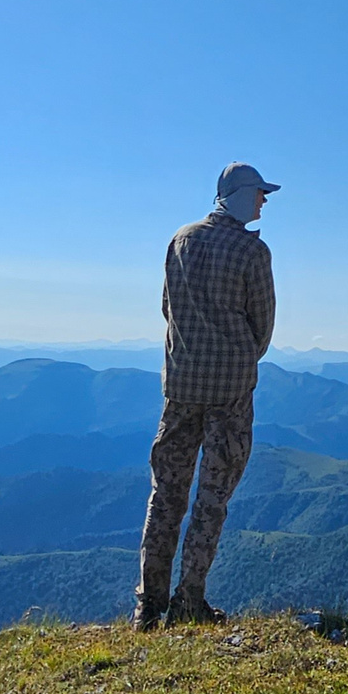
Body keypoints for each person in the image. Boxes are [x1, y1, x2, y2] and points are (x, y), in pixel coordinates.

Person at [135, 160, 279, 628]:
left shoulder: (180, 241)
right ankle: (189, 601)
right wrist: (237, 358)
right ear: (240, 193)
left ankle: (148, 605)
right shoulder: (252, 254)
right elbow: (263, 326)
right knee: (211, 497)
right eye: (260, 192)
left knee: (166, 494)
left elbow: (166, 308)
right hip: (230, 394)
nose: (264, 200)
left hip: (179, 388)